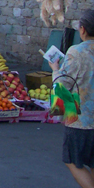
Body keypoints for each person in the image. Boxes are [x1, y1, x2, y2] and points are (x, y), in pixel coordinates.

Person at [49, 10, 94, 188]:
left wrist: (55, 69)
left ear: (82, 30)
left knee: (72, 160)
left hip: (80, 119)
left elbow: (62, 86)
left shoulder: (76, 52)